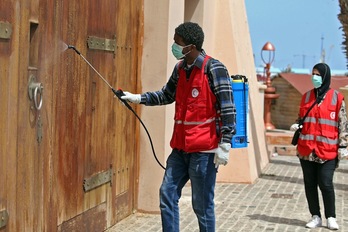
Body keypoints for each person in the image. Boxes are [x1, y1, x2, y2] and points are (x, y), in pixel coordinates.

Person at [121, 22, 236, 231]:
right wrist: (137, 98)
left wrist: (225, 144)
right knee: (167, 194)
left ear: (191, 47)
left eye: (177, 42)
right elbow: (166, 94)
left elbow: (228, 108)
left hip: (204, 151)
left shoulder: (214, 69)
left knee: (202, 206)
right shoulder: (180, 68)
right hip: (180, 149)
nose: (174, 46)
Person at [290, 63, 348, 230]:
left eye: (317, 74)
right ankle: (315, 216)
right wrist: (296, 125)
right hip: (306, 149)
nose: (314, 77)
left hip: (328, 150)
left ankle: (331, 216)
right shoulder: (306, 97)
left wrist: (343, 146)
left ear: (325, 76)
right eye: (313, 73)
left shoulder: (337, 98)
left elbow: (343, 124)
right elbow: (301, 118)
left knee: (326, 183)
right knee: (310, 184)